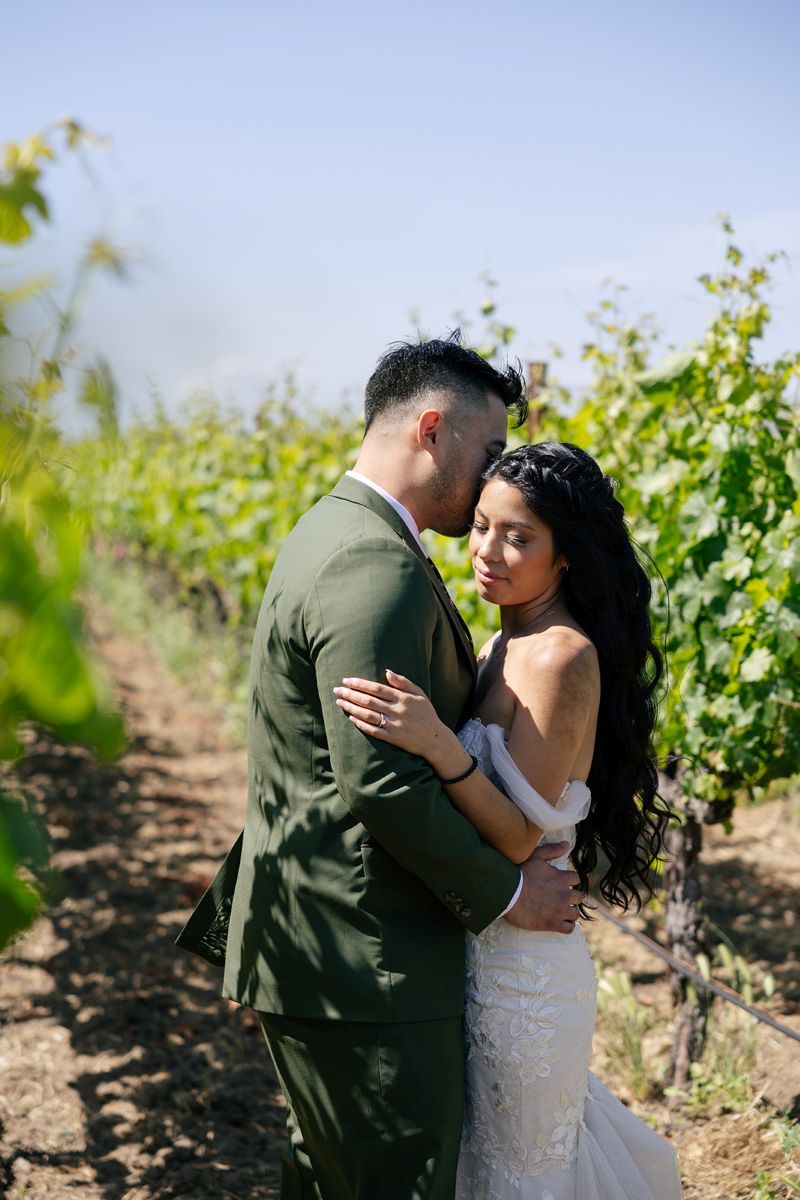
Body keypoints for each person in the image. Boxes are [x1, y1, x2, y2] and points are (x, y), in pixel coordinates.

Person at [175, 336, 583, 1200]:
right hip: (365, 959)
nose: (489, 478)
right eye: (487, 454)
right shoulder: (373, 565)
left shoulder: (334, 528)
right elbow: (379, 780)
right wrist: (509, 894)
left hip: (330, 947)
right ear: (433, 431)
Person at [334, 442, 683, 1199]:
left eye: (519, 536)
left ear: (567, 556)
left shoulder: (560, 656)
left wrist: (432, 741)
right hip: (478, 943)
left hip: (526, 973)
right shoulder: (500, 642)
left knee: (523, 1175)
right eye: (483, 526)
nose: (488, 551)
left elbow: (521, 835)